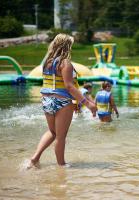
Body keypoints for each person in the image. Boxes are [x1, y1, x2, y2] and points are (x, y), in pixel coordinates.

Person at [29, 33, 97, 167]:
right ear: (67, 46)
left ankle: (34, 158)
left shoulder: (47, 63)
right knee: (60, 137)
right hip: (62, 102)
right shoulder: (65, 63)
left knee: (52, 132)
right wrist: (87, 104)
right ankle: (61, 166)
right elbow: (69, 86)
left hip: (47, 100)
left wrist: (76, 102)